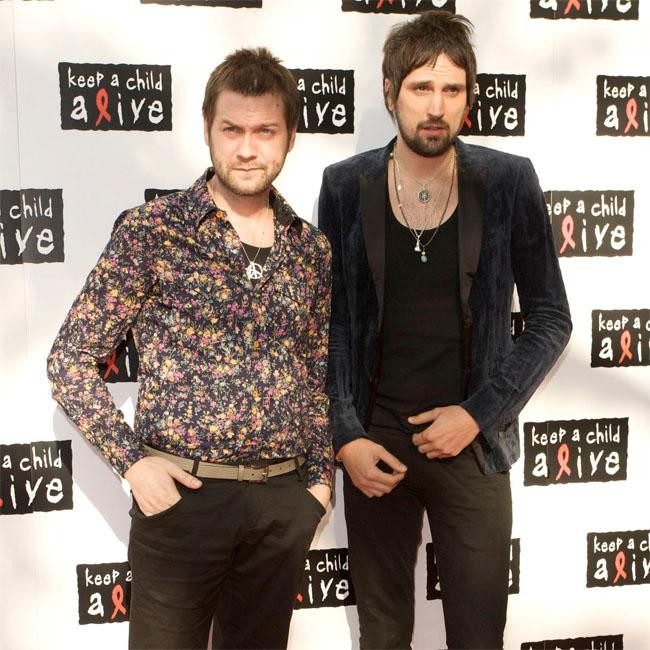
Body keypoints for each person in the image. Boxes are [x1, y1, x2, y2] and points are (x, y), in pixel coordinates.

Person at [48, 47, 333, 650]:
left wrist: (317, 485)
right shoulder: (153, 230)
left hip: (283, 506)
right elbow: (69, 361)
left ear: (290, 138)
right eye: (232, 129)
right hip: (182, 505)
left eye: (265, 131)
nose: (247, 149)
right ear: (207, 129)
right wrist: (132, 462)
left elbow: (313, 374)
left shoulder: (311, 250)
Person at [318, 10, 571, 650]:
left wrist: (477, 414)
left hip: (474, 449)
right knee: (382, 636)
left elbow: (550, 318)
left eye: (452, 89)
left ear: (469, 96)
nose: (436, 107)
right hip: (376, 449)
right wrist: (346, 436)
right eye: (420, 88)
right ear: (389, 92)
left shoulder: (509, 181)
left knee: (479, 636)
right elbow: (333, 327)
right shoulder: (345, 186)